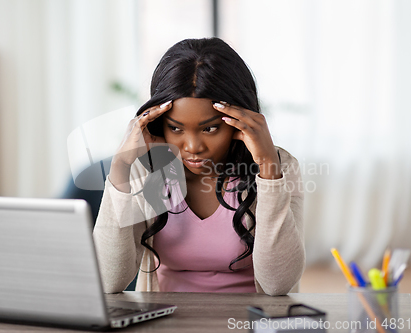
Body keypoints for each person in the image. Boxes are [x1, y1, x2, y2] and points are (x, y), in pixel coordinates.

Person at [93, 37, 305, 296]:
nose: (193, 146)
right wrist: (120, 166)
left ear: (239, 121)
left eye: (210, 128)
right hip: (166, 321)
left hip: (248, 320)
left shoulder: (280, 168)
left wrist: (269, 169)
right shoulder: (145, 169)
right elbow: (108, 280)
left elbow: (278, 284)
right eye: (176, 128)